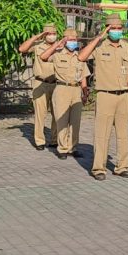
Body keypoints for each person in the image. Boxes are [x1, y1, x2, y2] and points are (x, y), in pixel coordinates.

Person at [80, 14, 128, 180]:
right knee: (102, 134)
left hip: (123, 95)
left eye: (119, 28)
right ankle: (99, 168)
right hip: (105, 95)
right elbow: (81, 57)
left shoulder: (127, 47)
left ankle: (122, 167)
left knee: (123, 134)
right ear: (107, 29)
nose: (117, 31)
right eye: (113, 28)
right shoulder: (99, 46)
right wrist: (99, 37)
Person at [40, 28, 90, 159]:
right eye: (70, 39)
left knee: (75, 121)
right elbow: (43, 57)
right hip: (62, 89)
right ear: (65, 40)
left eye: (75, 39)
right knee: (61, 121)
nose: (73, 42)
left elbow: (83, 76)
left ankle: (72, 147)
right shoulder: (57, 54)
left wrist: (85, 93)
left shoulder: (80, 56)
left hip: (76, 90)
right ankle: (62, 148)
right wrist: (57, 44)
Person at [18, 23, 58, 150]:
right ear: (44, 35)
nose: (52, 36)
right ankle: (40, 141)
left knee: (57, 113)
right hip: (40, 83)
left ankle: (55, 139)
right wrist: (37, 36)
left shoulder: (60, 46)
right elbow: (22, 49)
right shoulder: (38, 45)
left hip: (57, 83)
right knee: (40, 114)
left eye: (54, 33)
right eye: (49, 33)